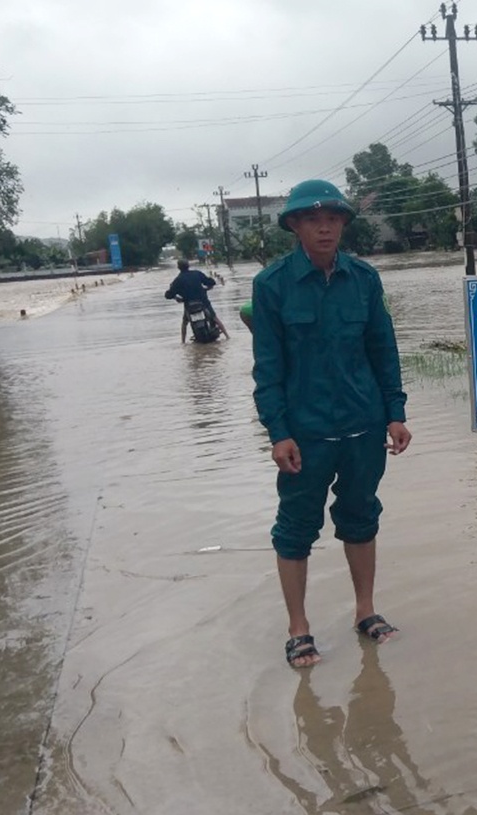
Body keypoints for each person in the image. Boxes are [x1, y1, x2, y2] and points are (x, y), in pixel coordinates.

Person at [251, 179, 412, 670]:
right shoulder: (271, 285)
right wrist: (278, 431)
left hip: (363, 427)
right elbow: (267, 367)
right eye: (313, 219)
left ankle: (365, 611)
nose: (325, 226)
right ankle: (299, 627)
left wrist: (395, 412)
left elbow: (383, 350)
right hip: (305, 434)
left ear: (343, 223)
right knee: (296, 528)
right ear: (295, 226)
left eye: (334, 218)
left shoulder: (364, 279)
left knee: (362, 518)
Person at [164, 259, 231, 343]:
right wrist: (207, 288)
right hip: (203, 302)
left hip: (189, 305)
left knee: (184, 323)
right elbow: (211, 282)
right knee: (214, 318)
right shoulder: (197, 274)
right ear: (188, 265)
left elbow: (168, 295)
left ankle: (183, 342)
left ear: (178, 267)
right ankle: (227, 336)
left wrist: (176, 298)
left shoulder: (178, 280)